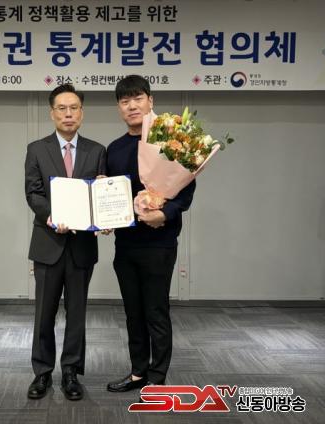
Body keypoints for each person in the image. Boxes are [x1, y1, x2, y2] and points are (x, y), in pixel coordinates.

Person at [105, 75, 196, 392]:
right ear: (119, 107)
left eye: (138, 98)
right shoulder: (114, 149)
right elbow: (110, 194)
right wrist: (102, 213)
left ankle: (157, 379)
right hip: (125, 244)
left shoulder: (170, 141)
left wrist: (164, 214)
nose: (132, 105)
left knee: (156, 311)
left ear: (150, 101)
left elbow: (185, 190)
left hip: (159, 243)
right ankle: (138, 372)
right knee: (133, 313)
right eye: (124, 101)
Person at [25, 84, 106, 401]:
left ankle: (71, 372)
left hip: (82, 247)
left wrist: (104, 211)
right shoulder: (36, 149)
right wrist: (52, 216)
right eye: (62, 108)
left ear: (82, 113)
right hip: (48, 242)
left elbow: (101, 194)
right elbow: (33, 193)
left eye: (74, 108)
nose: (68, 113)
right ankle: (42, 372)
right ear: (52, 113)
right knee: (43, 313)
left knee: (77, 313)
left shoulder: (97, 151)